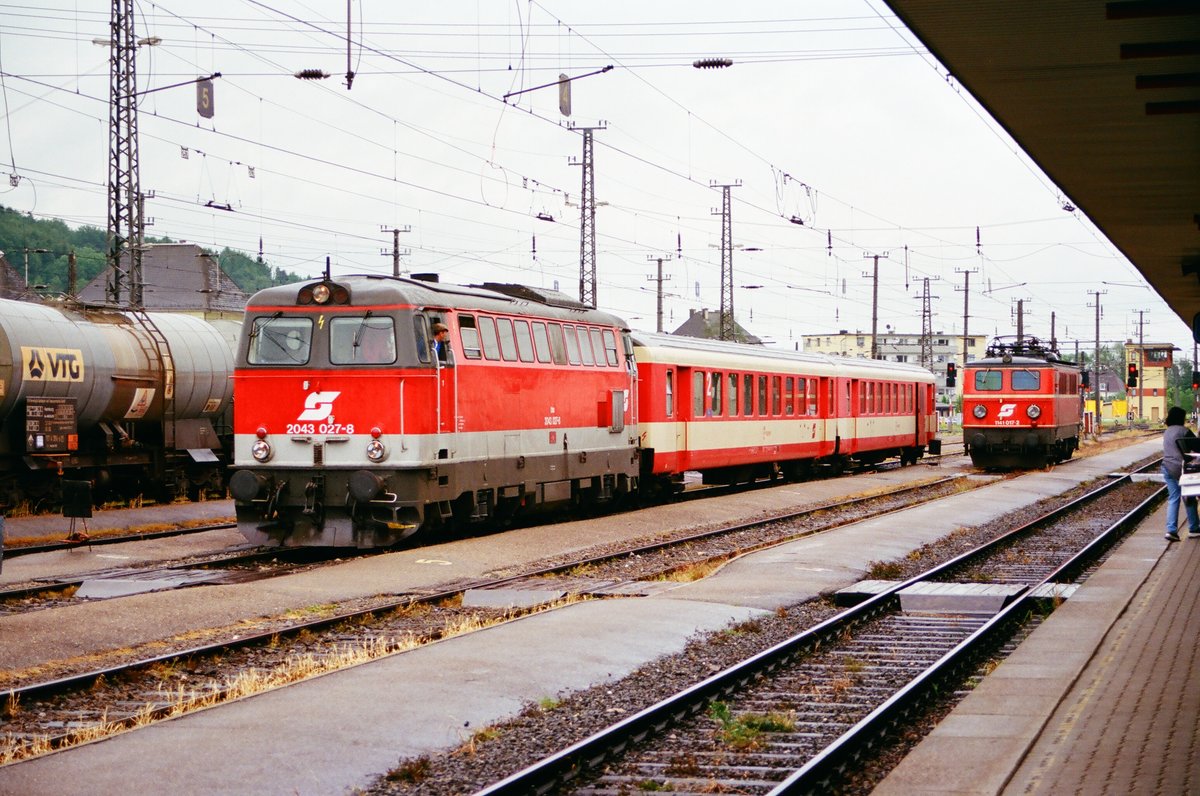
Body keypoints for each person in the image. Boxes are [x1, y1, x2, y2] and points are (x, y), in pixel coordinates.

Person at [1161, 405, 1199, 542]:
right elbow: (1197, 446)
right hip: (1181, 468)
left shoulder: (1167, 431)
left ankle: (1171, 531)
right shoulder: (1184, 431)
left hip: (1166, 466)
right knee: (1189, 496)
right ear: (1181, 418)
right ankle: (1194, 528)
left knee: (1173, 498)